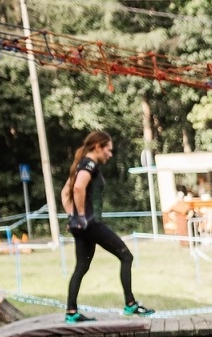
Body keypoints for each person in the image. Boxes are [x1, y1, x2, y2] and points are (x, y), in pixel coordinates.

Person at [61, 131, 152, 322]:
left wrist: (73, 217)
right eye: (108, 150)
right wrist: (81, 217)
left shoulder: (80, 164)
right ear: (97, 147)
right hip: (90, 224)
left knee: (81, 267)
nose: (110, 154)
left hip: (81, 226)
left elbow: (65, 192)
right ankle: (130, 304)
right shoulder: (90, 164)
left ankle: (71, 312)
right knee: (126, 256)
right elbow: (77, 188)